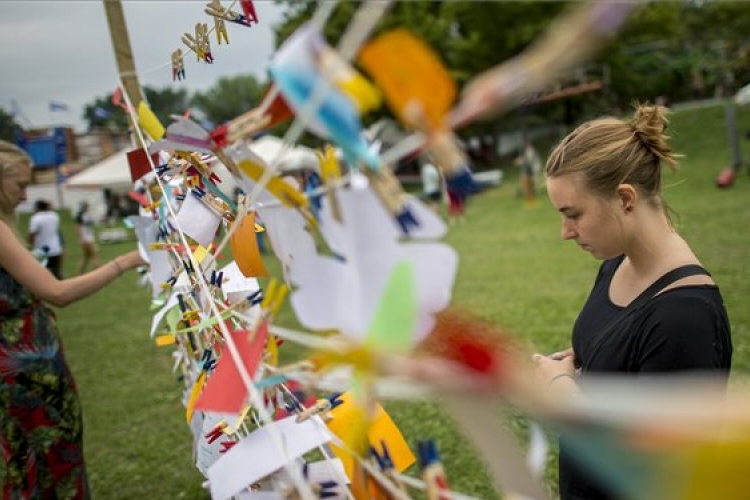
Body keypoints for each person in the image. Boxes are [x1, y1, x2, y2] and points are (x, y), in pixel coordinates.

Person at [532, 105, 732, 500]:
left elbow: (666, 474)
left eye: (573, 214)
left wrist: (563, 396)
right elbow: (623, 363)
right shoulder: (615, 264)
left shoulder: (684, 317)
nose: (565, 232)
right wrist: (579, 363)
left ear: (625, 198)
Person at [0, 140, 145, 498]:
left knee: (37, 457)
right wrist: (124, 262)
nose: (25, 195)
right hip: (25, 375)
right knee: (46, 457)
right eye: (20, 185)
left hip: (29, 367)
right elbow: (57, 292)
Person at [28, 199, 64, 279]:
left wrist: (30, 245)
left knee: (40, 275)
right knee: (57, 272)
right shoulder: (54, 215)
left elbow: (32, 234)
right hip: (55, 248)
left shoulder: (35, 218)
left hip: (42, 250)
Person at [75, 201, 101, 273]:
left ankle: (80, 271)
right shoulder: (80, 216)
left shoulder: (87, 215)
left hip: (89, 237)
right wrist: (81, 238)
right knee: (94, 255)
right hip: (86, 239)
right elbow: (78, 228)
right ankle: (98, 271)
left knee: (86, 256)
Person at [515, 139, 542, 206]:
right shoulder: (529, 150)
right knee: (529, 186)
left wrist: (521, 161)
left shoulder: (530, 150)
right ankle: (530, 200)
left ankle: (531, 202)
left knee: (529, 186)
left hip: (530, 171)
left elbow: (529, 161)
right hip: (529, 171)